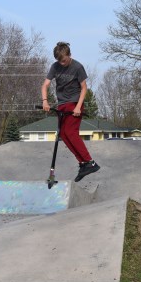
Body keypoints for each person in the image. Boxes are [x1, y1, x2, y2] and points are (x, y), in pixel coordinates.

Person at [41, 42, 100, 182]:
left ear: (69, 55)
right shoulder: (55, 67)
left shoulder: (77, 67)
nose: (61, 63)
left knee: (71, 132)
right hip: (61, 104)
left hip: (74, 104)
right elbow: (45, 85)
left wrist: (78, 107)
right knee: (63, 134)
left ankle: (90, 162)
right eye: (59, 61)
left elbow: (84, 88)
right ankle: (83, 163)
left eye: (64, 60)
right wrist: (45, 101)